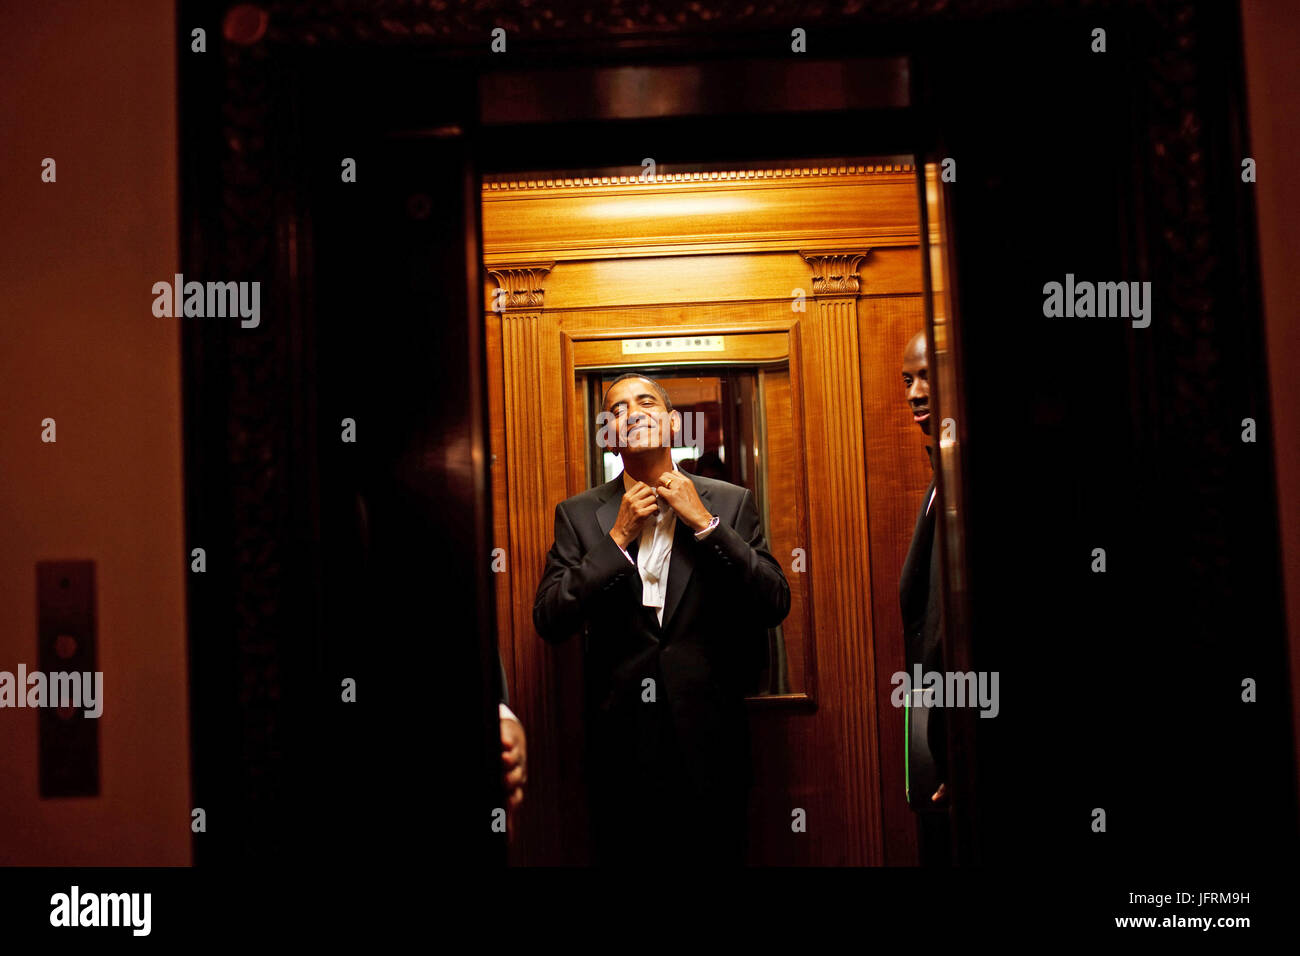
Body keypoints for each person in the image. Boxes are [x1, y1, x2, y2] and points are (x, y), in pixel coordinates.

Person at [533, 372, 790, 865]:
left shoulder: (730, 503)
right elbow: (549, 618)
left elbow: (774, 601)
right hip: (618, 748)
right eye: (618, 408)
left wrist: (705, 525)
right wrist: (615, 540)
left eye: (646, 401)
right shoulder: (579, 514)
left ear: (673, 422)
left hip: (714, 741)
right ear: (608, 433)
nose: (633, 412)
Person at [900, 331, 951, 866]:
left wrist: (961, 751)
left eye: (927, 376)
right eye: (907, 380)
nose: (915, 392)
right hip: (938, 726)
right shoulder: (939, 479)